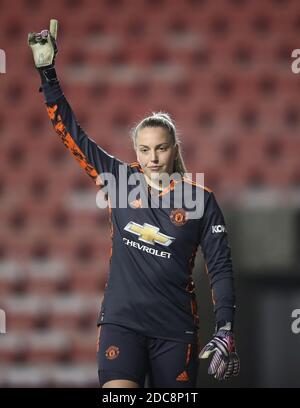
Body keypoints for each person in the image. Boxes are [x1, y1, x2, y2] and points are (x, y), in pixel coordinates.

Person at [28, 19, 240, 388]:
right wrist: (48, 74)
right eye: (144, 149)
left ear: (175, 148)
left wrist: (225, 327)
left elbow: (220, 268)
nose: (152, 157)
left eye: (160, 148)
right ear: (135, 152)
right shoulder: (120, 180)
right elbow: (72, 135)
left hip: (175, 330)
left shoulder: (200, 199)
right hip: (120, 324)